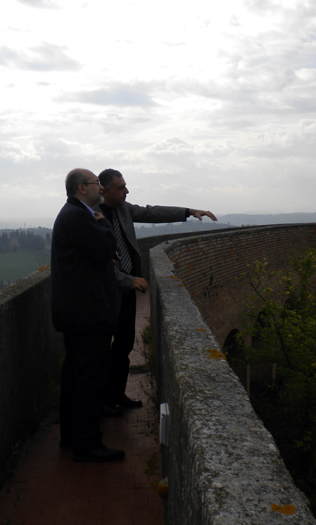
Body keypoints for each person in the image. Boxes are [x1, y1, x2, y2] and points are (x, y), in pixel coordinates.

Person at [96, 168, 217, 412]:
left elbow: (153, 212)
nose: (127, 191)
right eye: (121, 188)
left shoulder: (124, 209)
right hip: (106, 292)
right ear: (105, 191)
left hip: (129, 288)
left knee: (124, 343)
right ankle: (102, 400)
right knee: (101, 348)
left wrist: (189, 212)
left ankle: (116, 395)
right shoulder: (93, 215)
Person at [50, 168, 125, 463]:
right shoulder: (80, 216)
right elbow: (106, 247)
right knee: (90, 379)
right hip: (87, 314)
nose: (100, 189)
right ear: (82, 188)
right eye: (96, 184)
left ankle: (71, 436)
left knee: (75, 377)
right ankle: (87, 444)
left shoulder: (71, 214)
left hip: (76, 312)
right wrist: (105, 223)